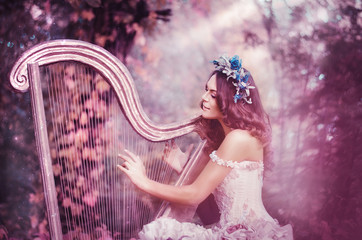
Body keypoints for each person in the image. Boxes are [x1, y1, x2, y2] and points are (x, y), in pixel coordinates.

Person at [117, 55, 293, 239]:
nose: (204, 97)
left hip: (249, 233)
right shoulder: (233, 138)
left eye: (213, 95)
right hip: (231, 231)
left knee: (162, 231)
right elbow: (211, 210)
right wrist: (183, 169)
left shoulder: (239, 138)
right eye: (206, 90)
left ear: (232, 100)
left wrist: (143, 181)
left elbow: (195, 196)